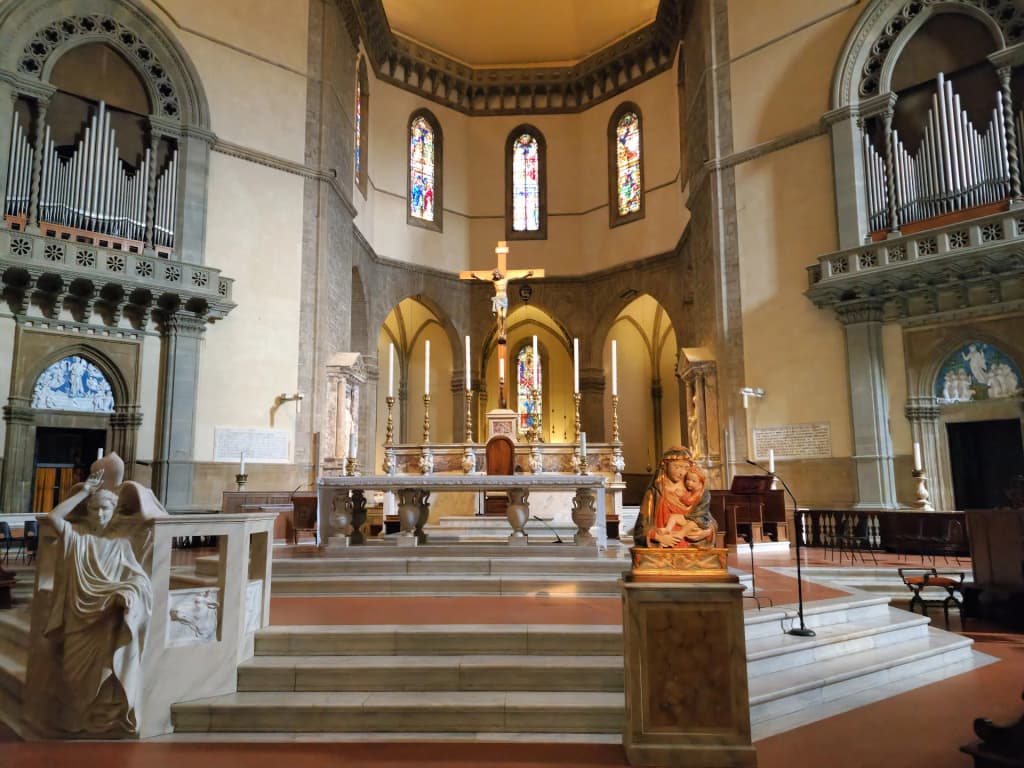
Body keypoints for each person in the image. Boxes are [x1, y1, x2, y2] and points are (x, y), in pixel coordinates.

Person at [43, 455, 161, 734]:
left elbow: (139, 580)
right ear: (87, 511)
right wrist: (84, 491)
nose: (99, 515)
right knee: (73, 675)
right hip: (78, 621)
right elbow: (52, 518)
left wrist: (127, 593)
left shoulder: (121, 545)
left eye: (106, 509)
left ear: (114, 512)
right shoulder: (76, 538)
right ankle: (75, 720)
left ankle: (104, 720)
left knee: (106, 673)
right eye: (95, 509)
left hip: (106, 620)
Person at [638, 447, 717, 549]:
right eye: (676, 467)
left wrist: (706, 532)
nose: (681, 472)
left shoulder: (693, 493)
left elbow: (706, 518)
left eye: (686, 467)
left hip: (691, 548)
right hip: (666, 548)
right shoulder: (654, 494)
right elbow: (640, 529)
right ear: (665, 466)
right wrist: (659, 537)